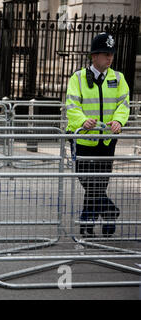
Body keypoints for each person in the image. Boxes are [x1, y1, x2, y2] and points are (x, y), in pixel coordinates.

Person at [66, 32, 130, 237]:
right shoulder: (78, 78)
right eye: (105, 54)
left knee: (99, 182)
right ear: (94, 56)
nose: (110, 58)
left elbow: (124, 104)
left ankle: (87, 225)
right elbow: (72, 105)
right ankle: (109, 211)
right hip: (83, 138)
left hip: (107, 139)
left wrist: (119, 121)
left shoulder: (118, 78)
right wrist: (82, 121)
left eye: (111, 54)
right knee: (87, 179)